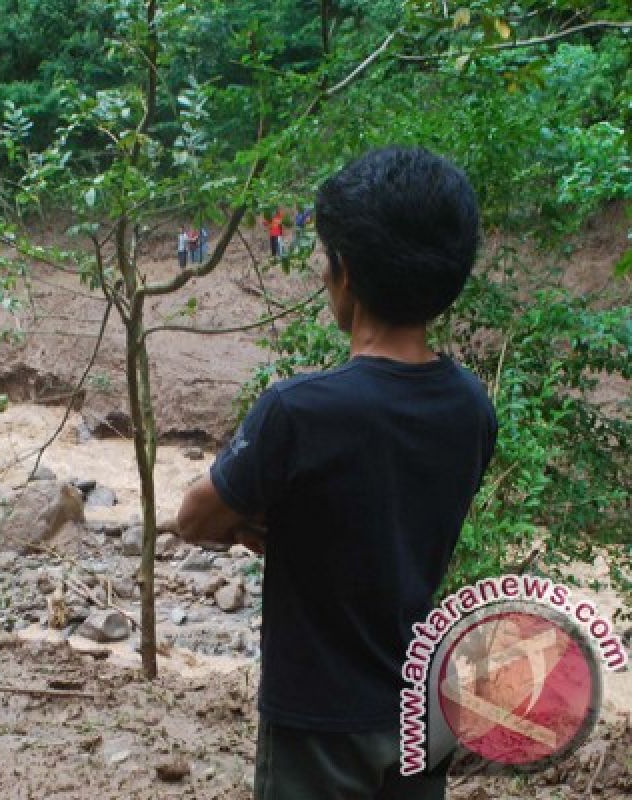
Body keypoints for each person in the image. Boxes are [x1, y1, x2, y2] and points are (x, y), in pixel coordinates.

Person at [177, 147, 496, 800]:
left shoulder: (298, 411)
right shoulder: (471, 407)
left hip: (321, 721)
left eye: (325, 257)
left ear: (343, 273)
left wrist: (245, 522)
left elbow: (195, 517)